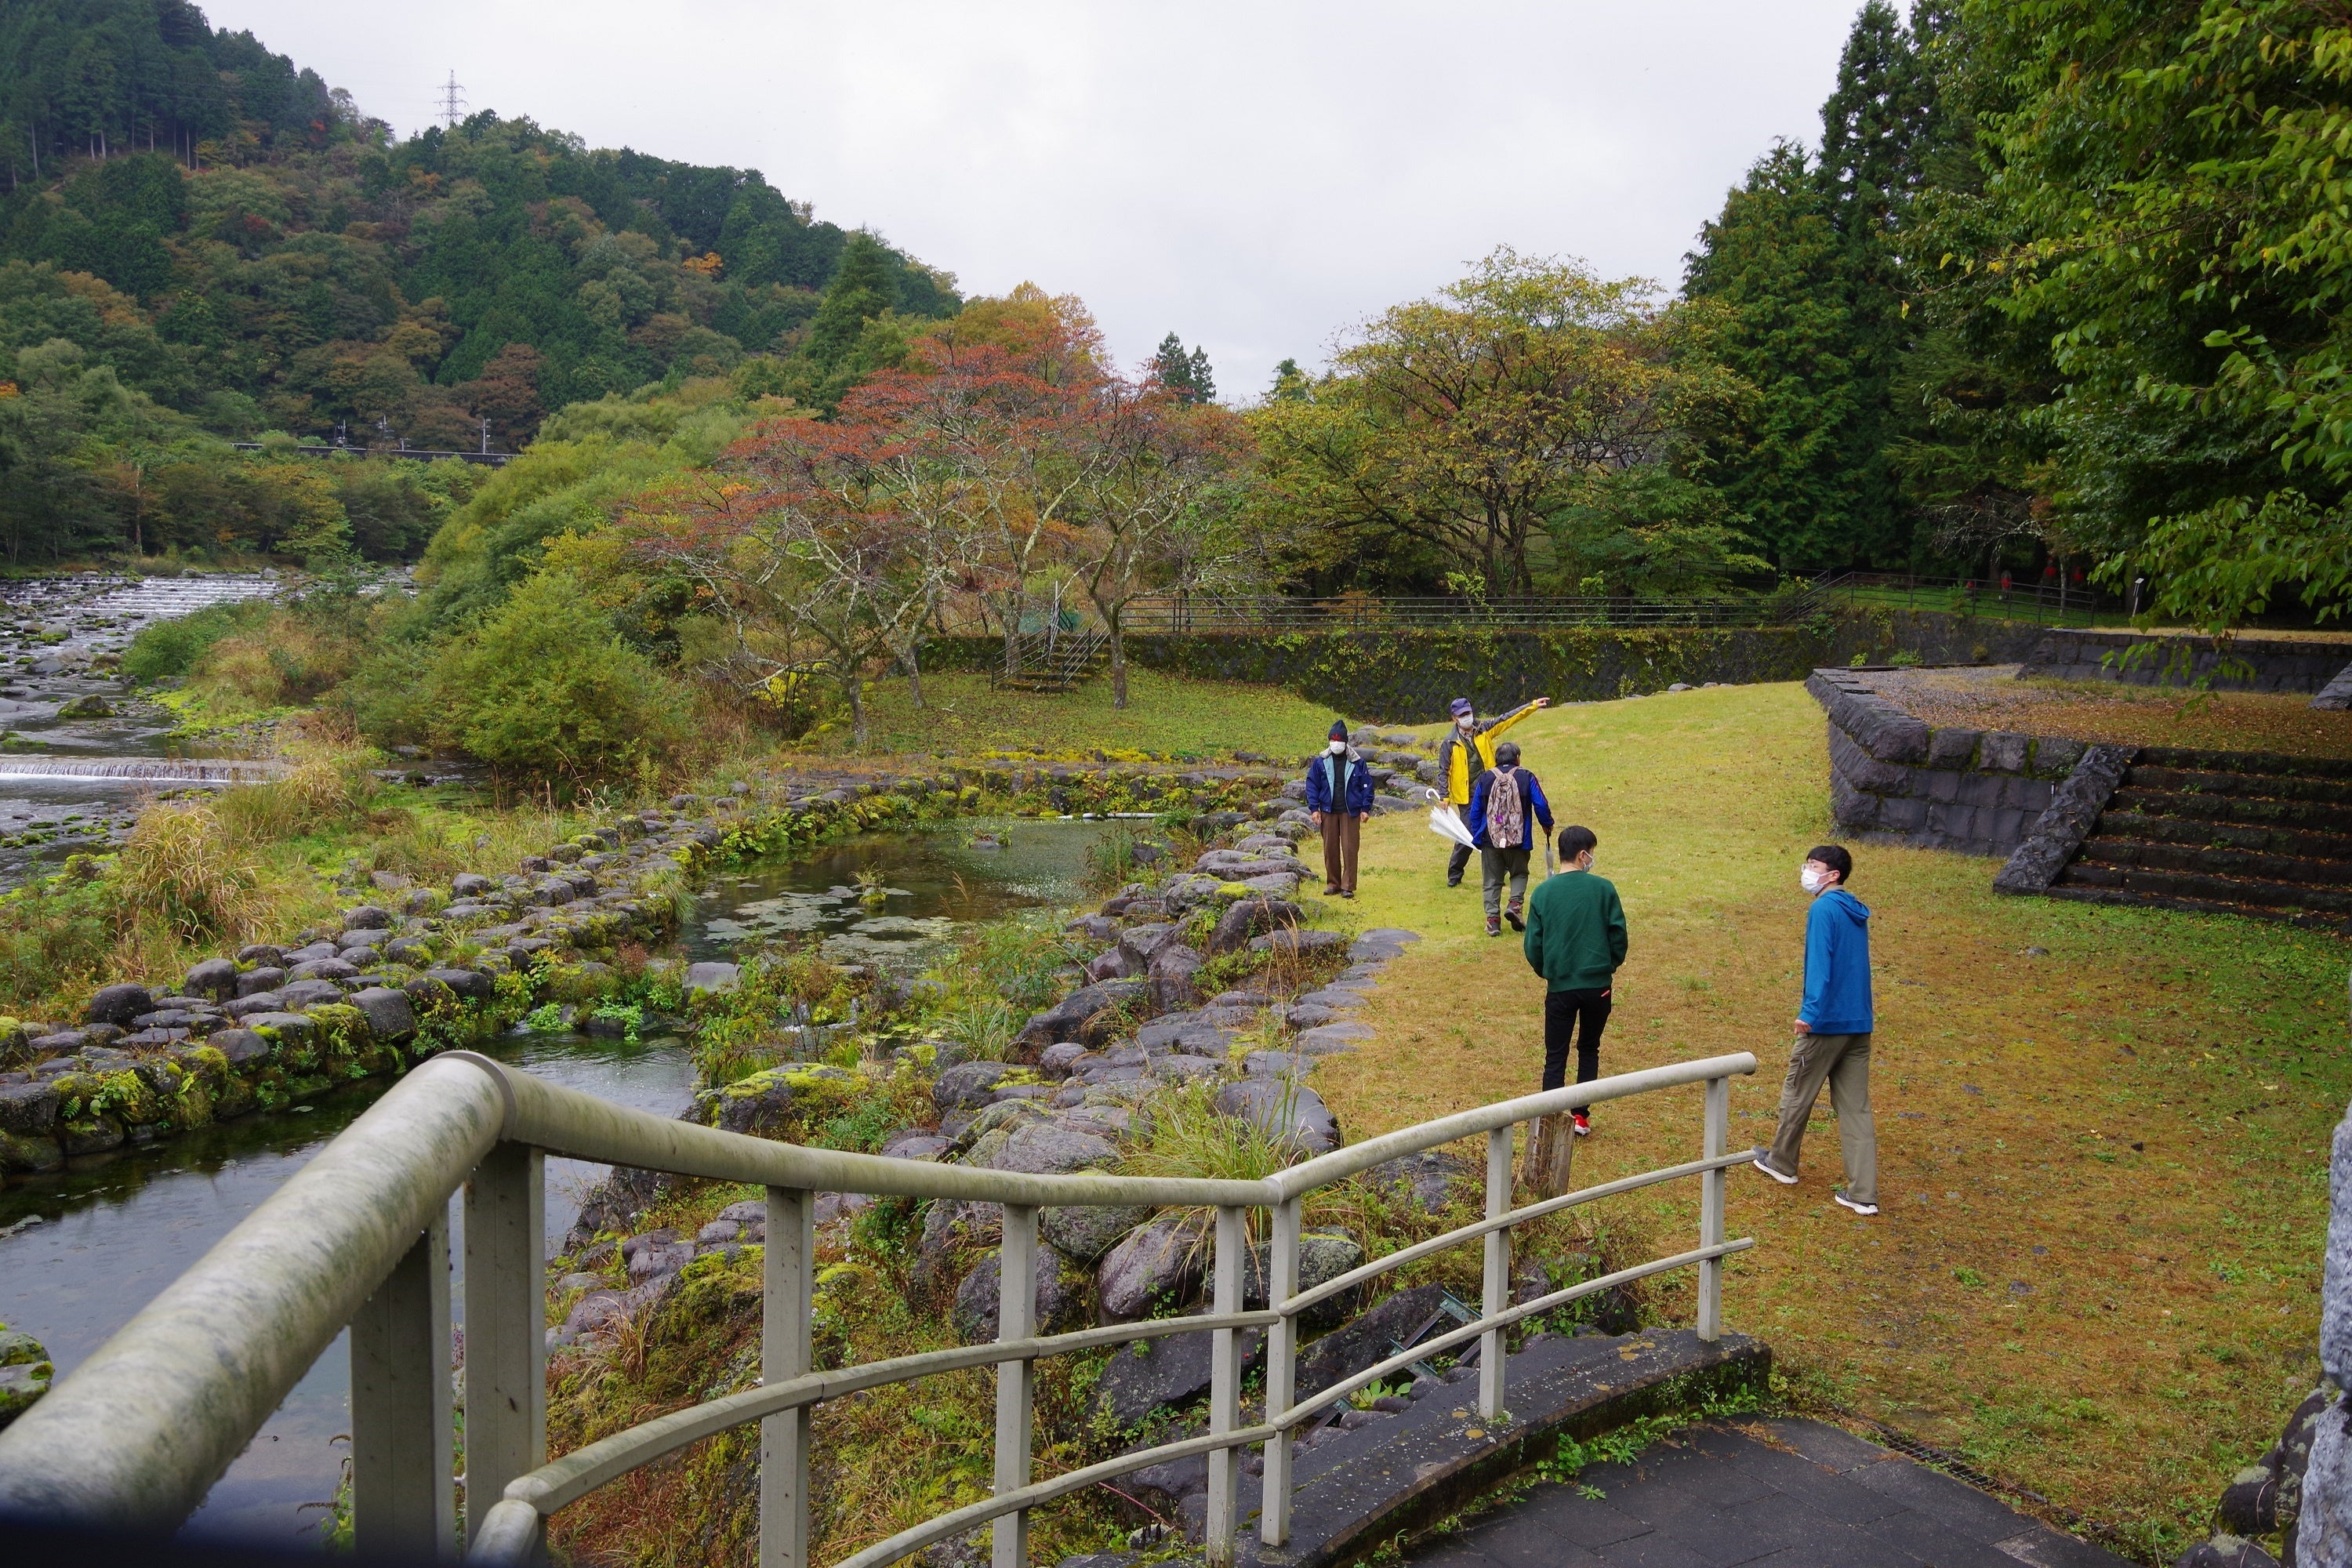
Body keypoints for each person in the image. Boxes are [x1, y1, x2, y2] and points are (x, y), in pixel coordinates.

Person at [1751, 844, 1879, 1216]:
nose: (1807, 870)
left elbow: (1821, 963)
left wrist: (1810, 1012)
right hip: (1858, 1023)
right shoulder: (1854, 911)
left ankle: (1781, 1162)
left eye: (1814, 865)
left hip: (1825, 1023)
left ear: (1833, 874)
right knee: (1856, 1108)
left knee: (1797, 1092)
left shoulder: (1824, 908)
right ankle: (1863, 1193)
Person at [1520, 825, 1625, 1137]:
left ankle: (1549, 1120)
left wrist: (1548, 971)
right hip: (1598, 986)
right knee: (1589, 1048)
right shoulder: (1605, 889)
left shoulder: (1542, 893)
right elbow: (1618, 935)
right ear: (1583, 855)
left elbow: (1532, 945)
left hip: (1560, 988)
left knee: (1555, 1054)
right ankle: (1581, 1116)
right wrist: (1609, 966)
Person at [1435, 695, 1551, 887]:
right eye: (1462, 715)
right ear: (1454, 718)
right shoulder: (1449, 743)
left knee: (1499, 826)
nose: (1467, 717)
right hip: (1468, 798)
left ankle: (1500, 870)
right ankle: (1455, 874)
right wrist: (1444, 796)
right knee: (1468, 834)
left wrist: (1532, 706)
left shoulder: (1484, 729)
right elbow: (1443, 770)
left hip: (1492, 792)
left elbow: (1507, 719)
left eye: (1469, 713)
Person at [1466, 740, 1553, 936]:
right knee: (1520, 873)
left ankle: (1493, 921)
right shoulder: (1526, 777)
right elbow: (1540, 804)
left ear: (1496, 760)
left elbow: (1475, 811)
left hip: (1490, 839)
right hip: (1519, 840)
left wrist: (1479, 834)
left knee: (1491, 880)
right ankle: (1514, 905)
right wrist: (1547, 824)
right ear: (1517, 759)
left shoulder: (1485, 778)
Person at [1303, 717, 1374, 898]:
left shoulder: (1357, 762)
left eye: (1339, 741)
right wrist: (1314, 809)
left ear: (1345, 742)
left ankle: (1348, 886)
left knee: (1350, 849)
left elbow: (1367, 785)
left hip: (1350, 811)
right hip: (1328, 811)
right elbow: (1312, 785)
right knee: (1330, 848)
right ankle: (1333, 883)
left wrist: (1365, 809)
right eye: (1332, 740)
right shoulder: (1321, 762)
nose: (1335, 744)